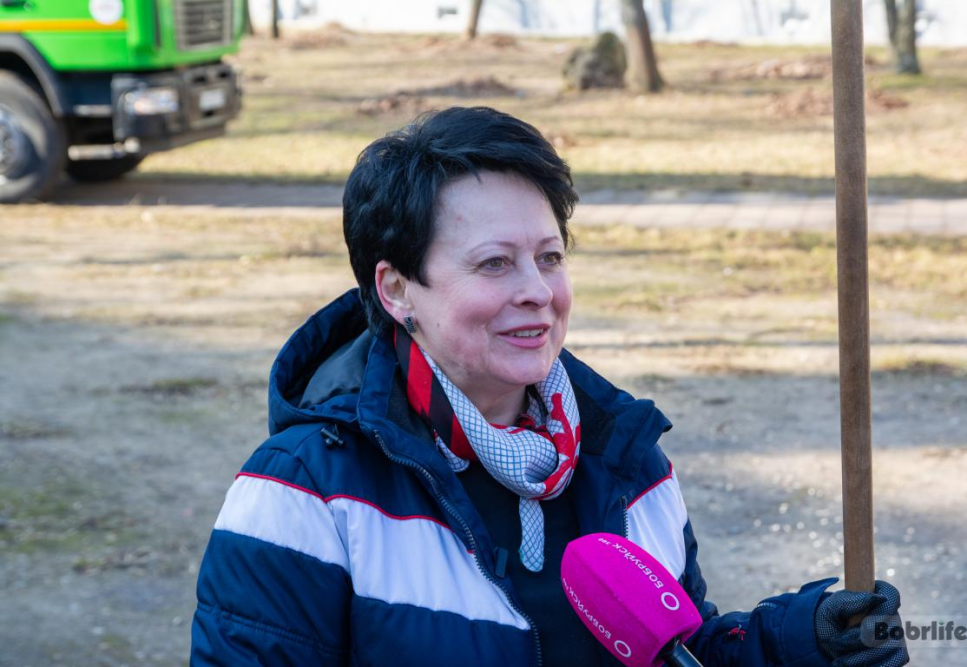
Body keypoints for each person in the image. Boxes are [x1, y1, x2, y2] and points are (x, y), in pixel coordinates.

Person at [191, 106, 908, 666]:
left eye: (550, 257)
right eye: (494, 263)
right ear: (398, 287)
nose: (537, 290)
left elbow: (677, 651)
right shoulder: (304, 494)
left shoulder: (629, 460)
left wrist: (797, 643)